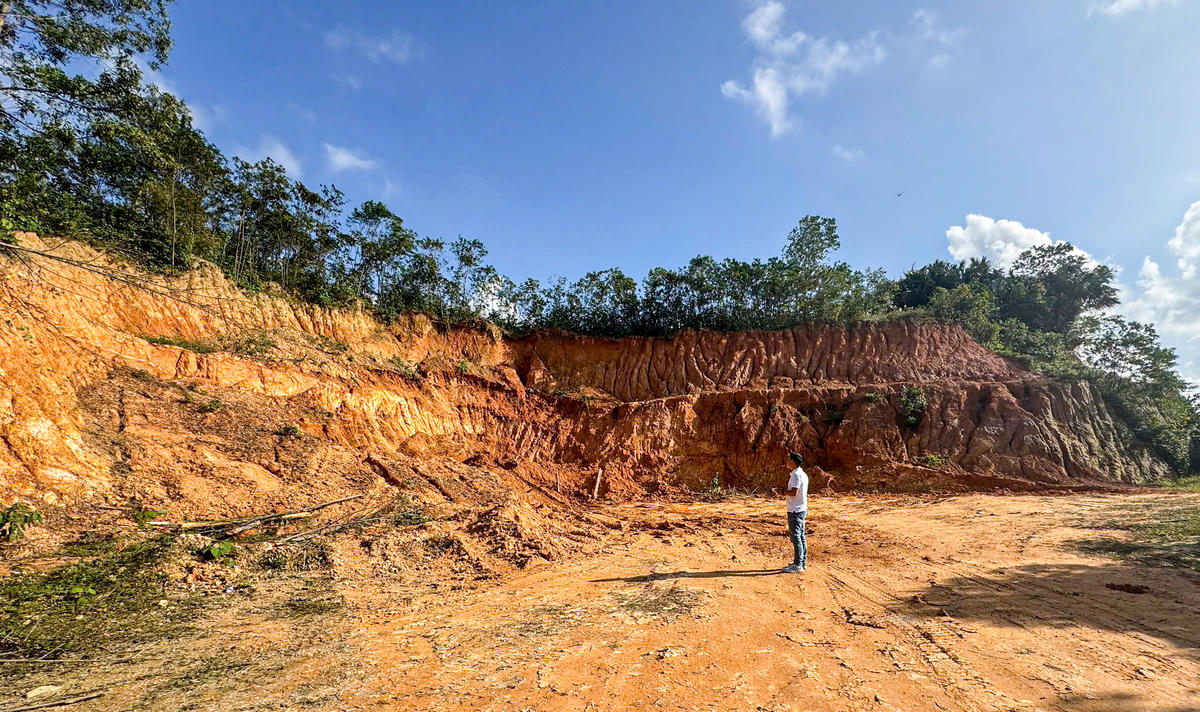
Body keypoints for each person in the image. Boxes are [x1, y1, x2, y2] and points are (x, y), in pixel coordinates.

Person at [782, 451, 809, 573]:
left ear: (792, 462)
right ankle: (802, 562)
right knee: (801, 536)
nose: (786, 461)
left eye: (788, 459)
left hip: (795, 510)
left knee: (796, 536)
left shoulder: (796, 475)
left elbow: (794, 492)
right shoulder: (802, 474)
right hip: (800, 508)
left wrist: (783, 492)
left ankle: (798, 565)